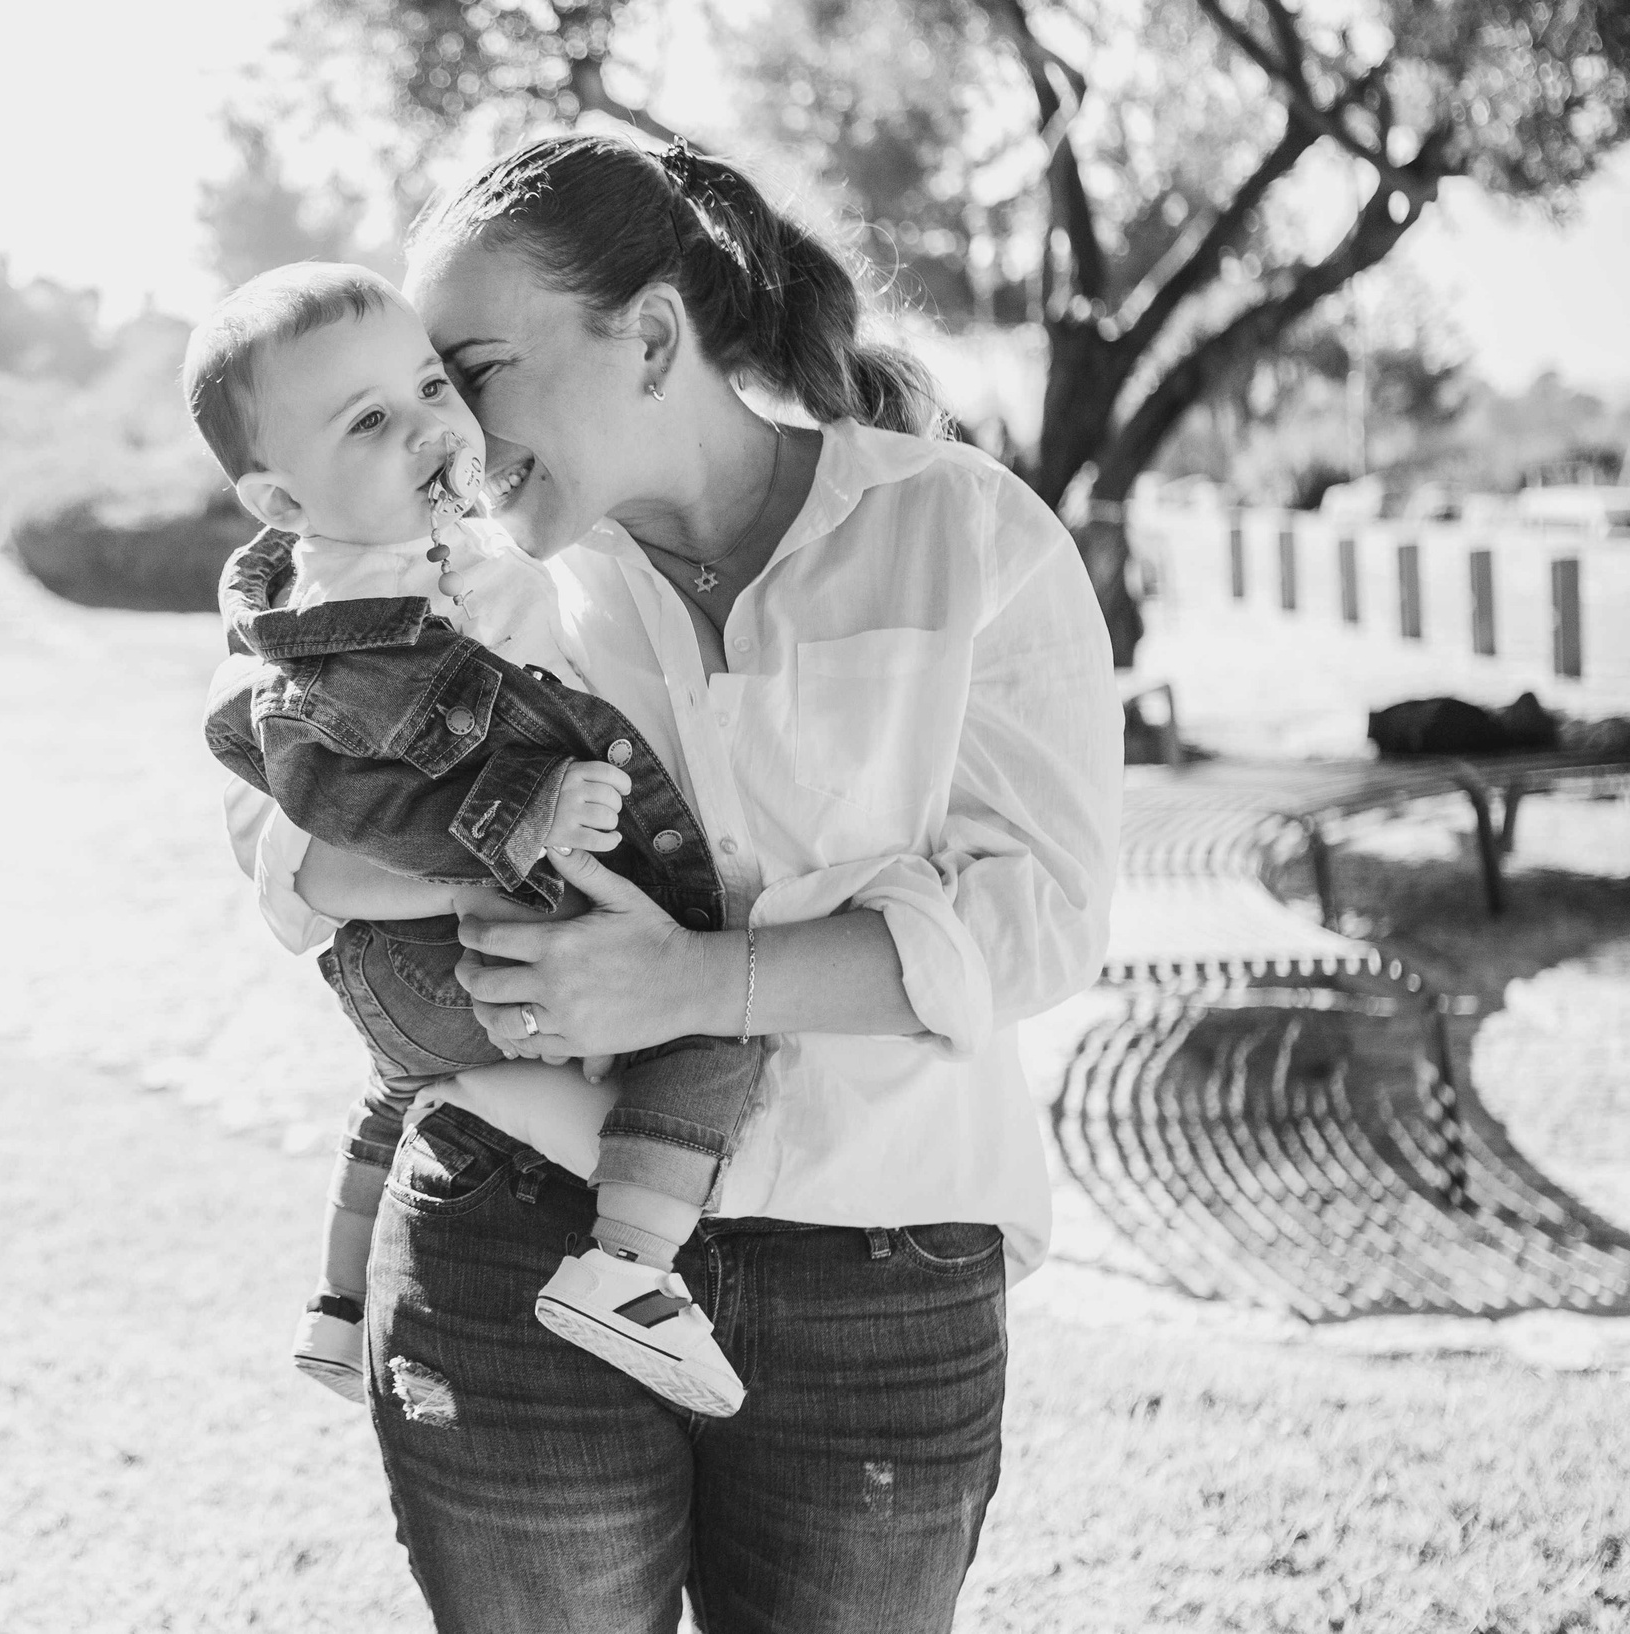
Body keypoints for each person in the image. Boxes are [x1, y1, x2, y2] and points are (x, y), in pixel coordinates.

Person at [220, 132, 1121, 1632]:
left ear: (649, 336)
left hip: (882, 1270)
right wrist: (475, 843)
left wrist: (697, 982)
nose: (449, 429)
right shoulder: (461, 575)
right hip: (511, 1231)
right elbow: (285, 853)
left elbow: (1041, 917)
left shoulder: (963, 532)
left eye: (472, 371)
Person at [188, 262, 769, 1417]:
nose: (428, 429)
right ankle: (629, 1263)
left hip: (393, 980)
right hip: (443, 948)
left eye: (430, 387)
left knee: (398, 1081)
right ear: (282, 500)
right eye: (367, 422)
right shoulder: (352, 634)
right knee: (715, 1004)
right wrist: (525, 827)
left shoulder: (406, 562)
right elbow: (338, 828)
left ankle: (337, 1299)